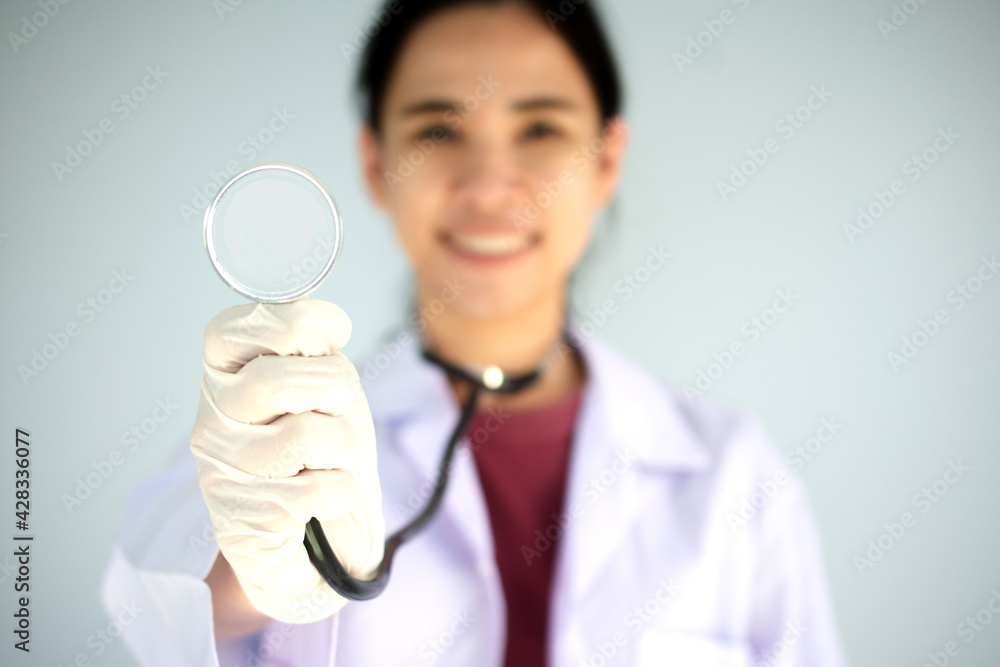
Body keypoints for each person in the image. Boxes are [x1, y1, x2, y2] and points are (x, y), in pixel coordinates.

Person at [102, 1, 849, 665]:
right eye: (438, 129)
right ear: (375, 163)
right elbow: (164, 600)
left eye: (541, 128)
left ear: (607, 160)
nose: (489, 185)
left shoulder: (735, 475)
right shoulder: (269, 435)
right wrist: (257, 573)